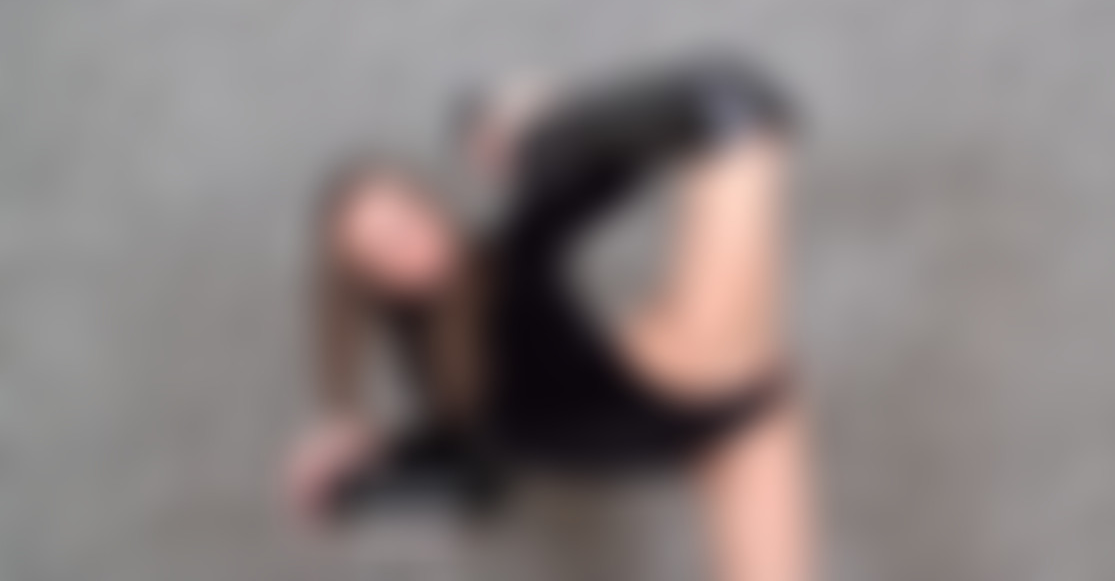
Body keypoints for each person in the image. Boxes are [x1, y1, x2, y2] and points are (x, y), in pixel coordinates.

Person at [282, 55, 815, 581]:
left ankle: (527, 117)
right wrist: (353, 479)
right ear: (364, 280)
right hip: (727, 434)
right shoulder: (434, 362)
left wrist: (542, 134)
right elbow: (476, 484)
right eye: (377, 250)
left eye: (405, 220)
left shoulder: (512, 255)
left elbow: (610, 177)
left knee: (729, 105)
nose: (404, 246)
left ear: (431, 208)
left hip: (687, 368)